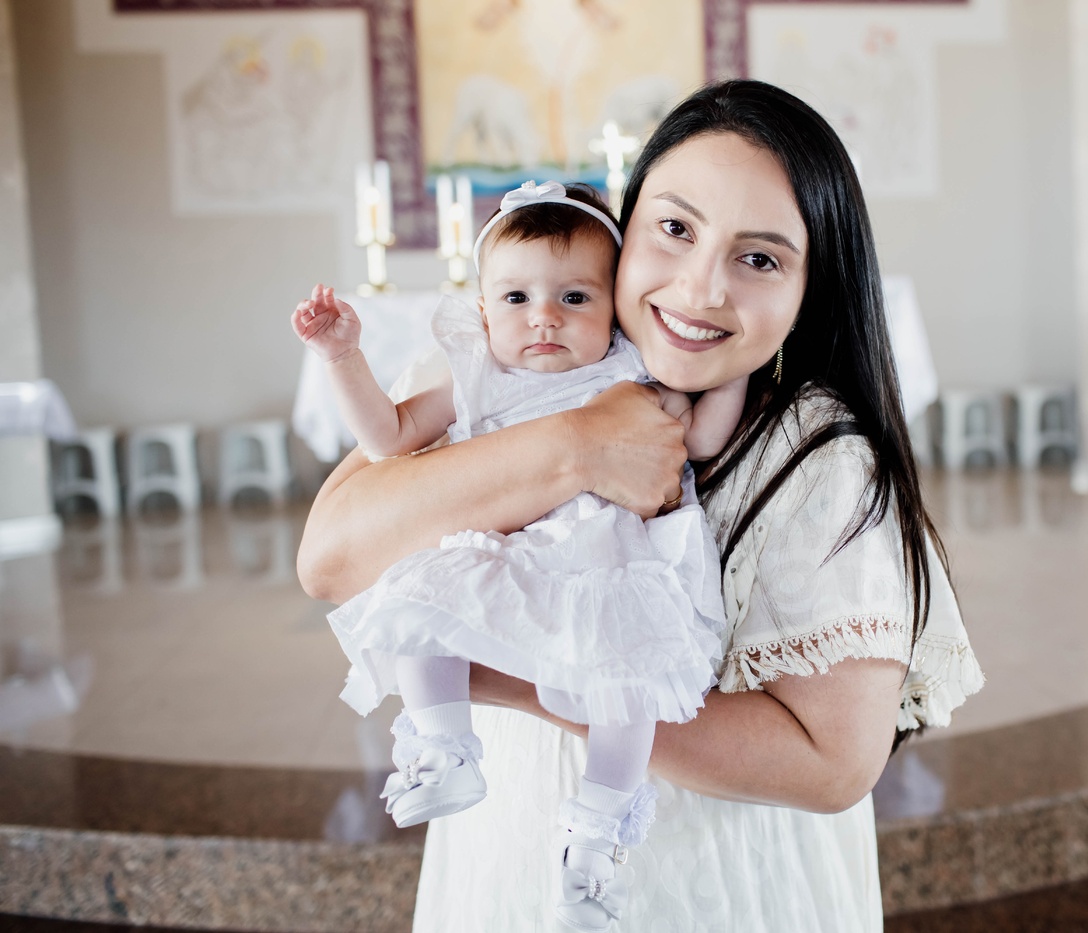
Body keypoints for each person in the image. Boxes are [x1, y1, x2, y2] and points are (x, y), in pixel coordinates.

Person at [298, 79, 983, 932]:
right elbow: (329, 557)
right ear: (623, 230)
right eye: (676, 229)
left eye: (760, 258)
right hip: (506, 851)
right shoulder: (492, 366)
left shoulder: (817, 454)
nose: (700, 289)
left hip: (714, 885)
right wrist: (579, 443)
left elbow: (833, 762)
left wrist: (521, 676)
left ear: (812, 287)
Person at [292, 181, 746, 932]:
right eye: (516, 298)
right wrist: (342, 357)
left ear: (614, 308)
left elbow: (697, 439)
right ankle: (444, 745)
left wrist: (731, 367)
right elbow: (389, 438)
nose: (543, 317)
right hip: (503, 555)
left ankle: (595, 834)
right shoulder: (474, 375)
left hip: (602, 569)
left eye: (574, 297)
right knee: (422, 599)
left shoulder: (631, 373)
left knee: (629, 688)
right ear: (482, 312)